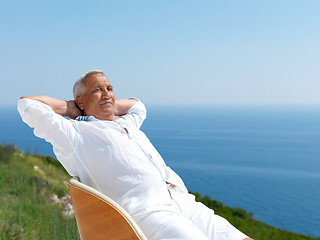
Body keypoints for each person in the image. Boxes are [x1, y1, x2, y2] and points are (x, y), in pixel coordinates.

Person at [18, 70, 252, 240]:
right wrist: (71, 109)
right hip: (151, 212)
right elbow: (28, 105)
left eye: (109, 88)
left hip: (183, 201)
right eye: (97, 90)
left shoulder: (127, 123)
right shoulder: (76, 134)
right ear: (80, 100)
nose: (107, 93)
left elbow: (138, 106)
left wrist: (106, 103)